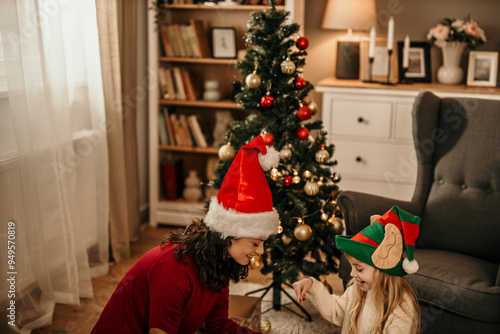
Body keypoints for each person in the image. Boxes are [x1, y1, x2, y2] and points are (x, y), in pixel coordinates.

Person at [92, 134, 281, 334]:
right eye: (255, 243)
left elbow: (218, 326)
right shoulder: (173, 269)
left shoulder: (219, 261)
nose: (260, 251)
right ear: (228, 235)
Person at [293, 206, 422, 334]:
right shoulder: (356, 290)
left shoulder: (402, 305)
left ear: (383, 269)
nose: (352, 274)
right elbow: (335, 311)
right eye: (352, 267)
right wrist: (311, 285)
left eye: (359, 269)